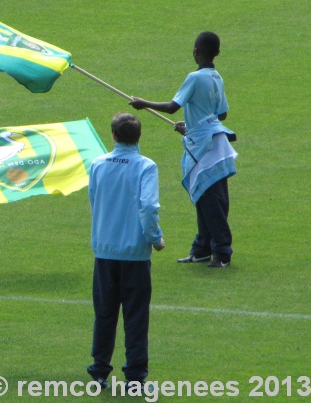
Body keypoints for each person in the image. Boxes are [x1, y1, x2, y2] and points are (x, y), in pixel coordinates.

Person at [130, 31, 237, 268]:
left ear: (195, 52)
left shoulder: (195, 78)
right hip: (216, 143)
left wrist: (143, 104)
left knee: (210, 201)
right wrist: (192, 126)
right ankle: (202, 249)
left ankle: (222, 253)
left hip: (203, 149)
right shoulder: (217, 77)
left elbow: (171, 107)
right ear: (217, 52)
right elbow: (222, 114)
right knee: (205, 197)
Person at [87, 113, 164, 389]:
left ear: (114, 136)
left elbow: (95, 201)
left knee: (105, 313)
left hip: (105, 250)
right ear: (138, 137)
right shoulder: (146, 166)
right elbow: (149, 207)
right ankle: (135, 376)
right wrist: (155, 237)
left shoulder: (98, 164)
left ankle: (99, 371)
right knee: (136, 316)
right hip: (134, 253)